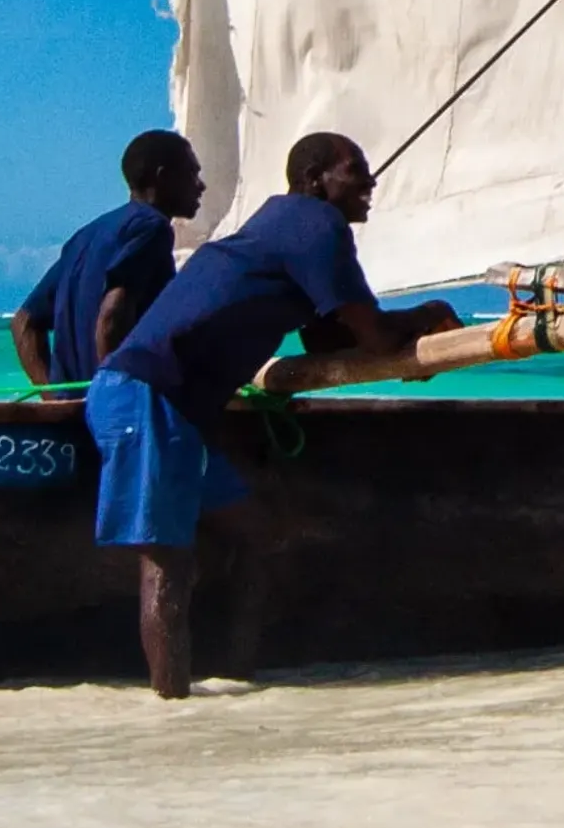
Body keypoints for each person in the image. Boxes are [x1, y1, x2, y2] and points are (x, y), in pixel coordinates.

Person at [86, 131, 462, 697]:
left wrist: (406, 330)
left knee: (255, 535)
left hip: (170, 408)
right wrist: (429, 314)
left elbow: (325, 338)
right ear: (314, 181)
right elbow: (376, 335)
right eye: (353, 169)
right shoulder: (315, 225)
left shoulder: (281, 227)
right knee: (168, 566)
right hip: (147, 396)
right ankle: (172, 714)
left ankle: (239, 680)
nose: (370, 181)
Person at [7, 131, 205, 389]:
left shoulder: (86, 236)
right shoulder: (153, 228)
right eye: (191, 173)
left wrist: (53, 399)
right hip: (114, 419)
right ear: (162, 176)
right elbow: (112, 315)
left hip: (76, 416)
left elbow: (23, 322)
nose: (200, 185)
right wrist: (114, 399)